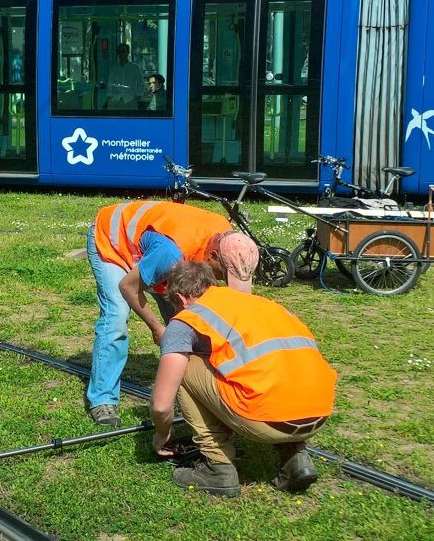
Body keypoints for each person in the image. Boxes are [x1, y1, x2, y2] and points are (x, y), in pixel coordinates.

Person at [150, 261, 337, 496]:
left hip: (267, 418)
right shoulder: (259, 303)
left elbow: (161, 404)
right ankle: (295, 457)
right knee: (274, 373)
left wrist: (163, 433)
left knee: (182, 369)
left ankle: (217, 467)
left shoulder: (187, 319)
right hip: (320, 411)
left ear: (181, 298)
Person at [85, 200, 260, 427]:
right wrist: (157, 328)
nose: (223, 281)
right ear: (213, 256)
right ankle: (102, 399)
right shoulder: (170, 253)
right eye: (224, 275)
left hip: (159, 254)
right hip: (113, 241)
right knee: (116, 316)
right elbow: (128, 287)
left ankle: (194, 392)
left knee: (190, 321)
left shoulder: (227, 238)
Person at [104, 43, 143, 110]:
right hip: (115, 100)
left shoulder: (135, 68)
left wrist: (138, 96)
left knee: (130, 120)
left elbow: (141, 83)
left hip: (130, 100)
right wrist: (109, 97)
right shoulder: (113, 68)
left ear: (128, 52)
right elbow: (110, 83)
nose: (121, 54)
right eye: (119, 51)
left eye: (123, 51)